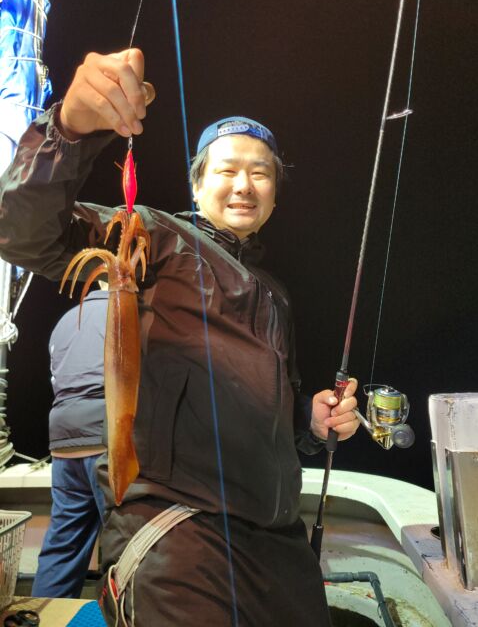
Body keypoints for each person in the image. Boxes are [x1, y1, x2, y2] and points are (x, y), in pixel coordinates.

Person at [0, 49, 360, 626]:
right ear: (197, 185)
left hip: (278, 544)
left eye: (261, 173)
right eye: (226, 170)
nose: (244, 185)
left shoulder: (276, 293)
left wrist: (310, 423)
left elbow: (270, 414)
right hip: (179, 536)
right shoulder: (152, 238)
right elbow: (21, 232)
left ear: (275, 194)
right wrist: (68, 129)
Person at [31, 287, 108, 598]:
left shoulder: (64, 321)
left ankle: (43, 613)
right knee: (128, 541)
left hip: (64, 444)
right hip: (107, 439)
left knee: (63, 545)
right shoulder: (130, 313)